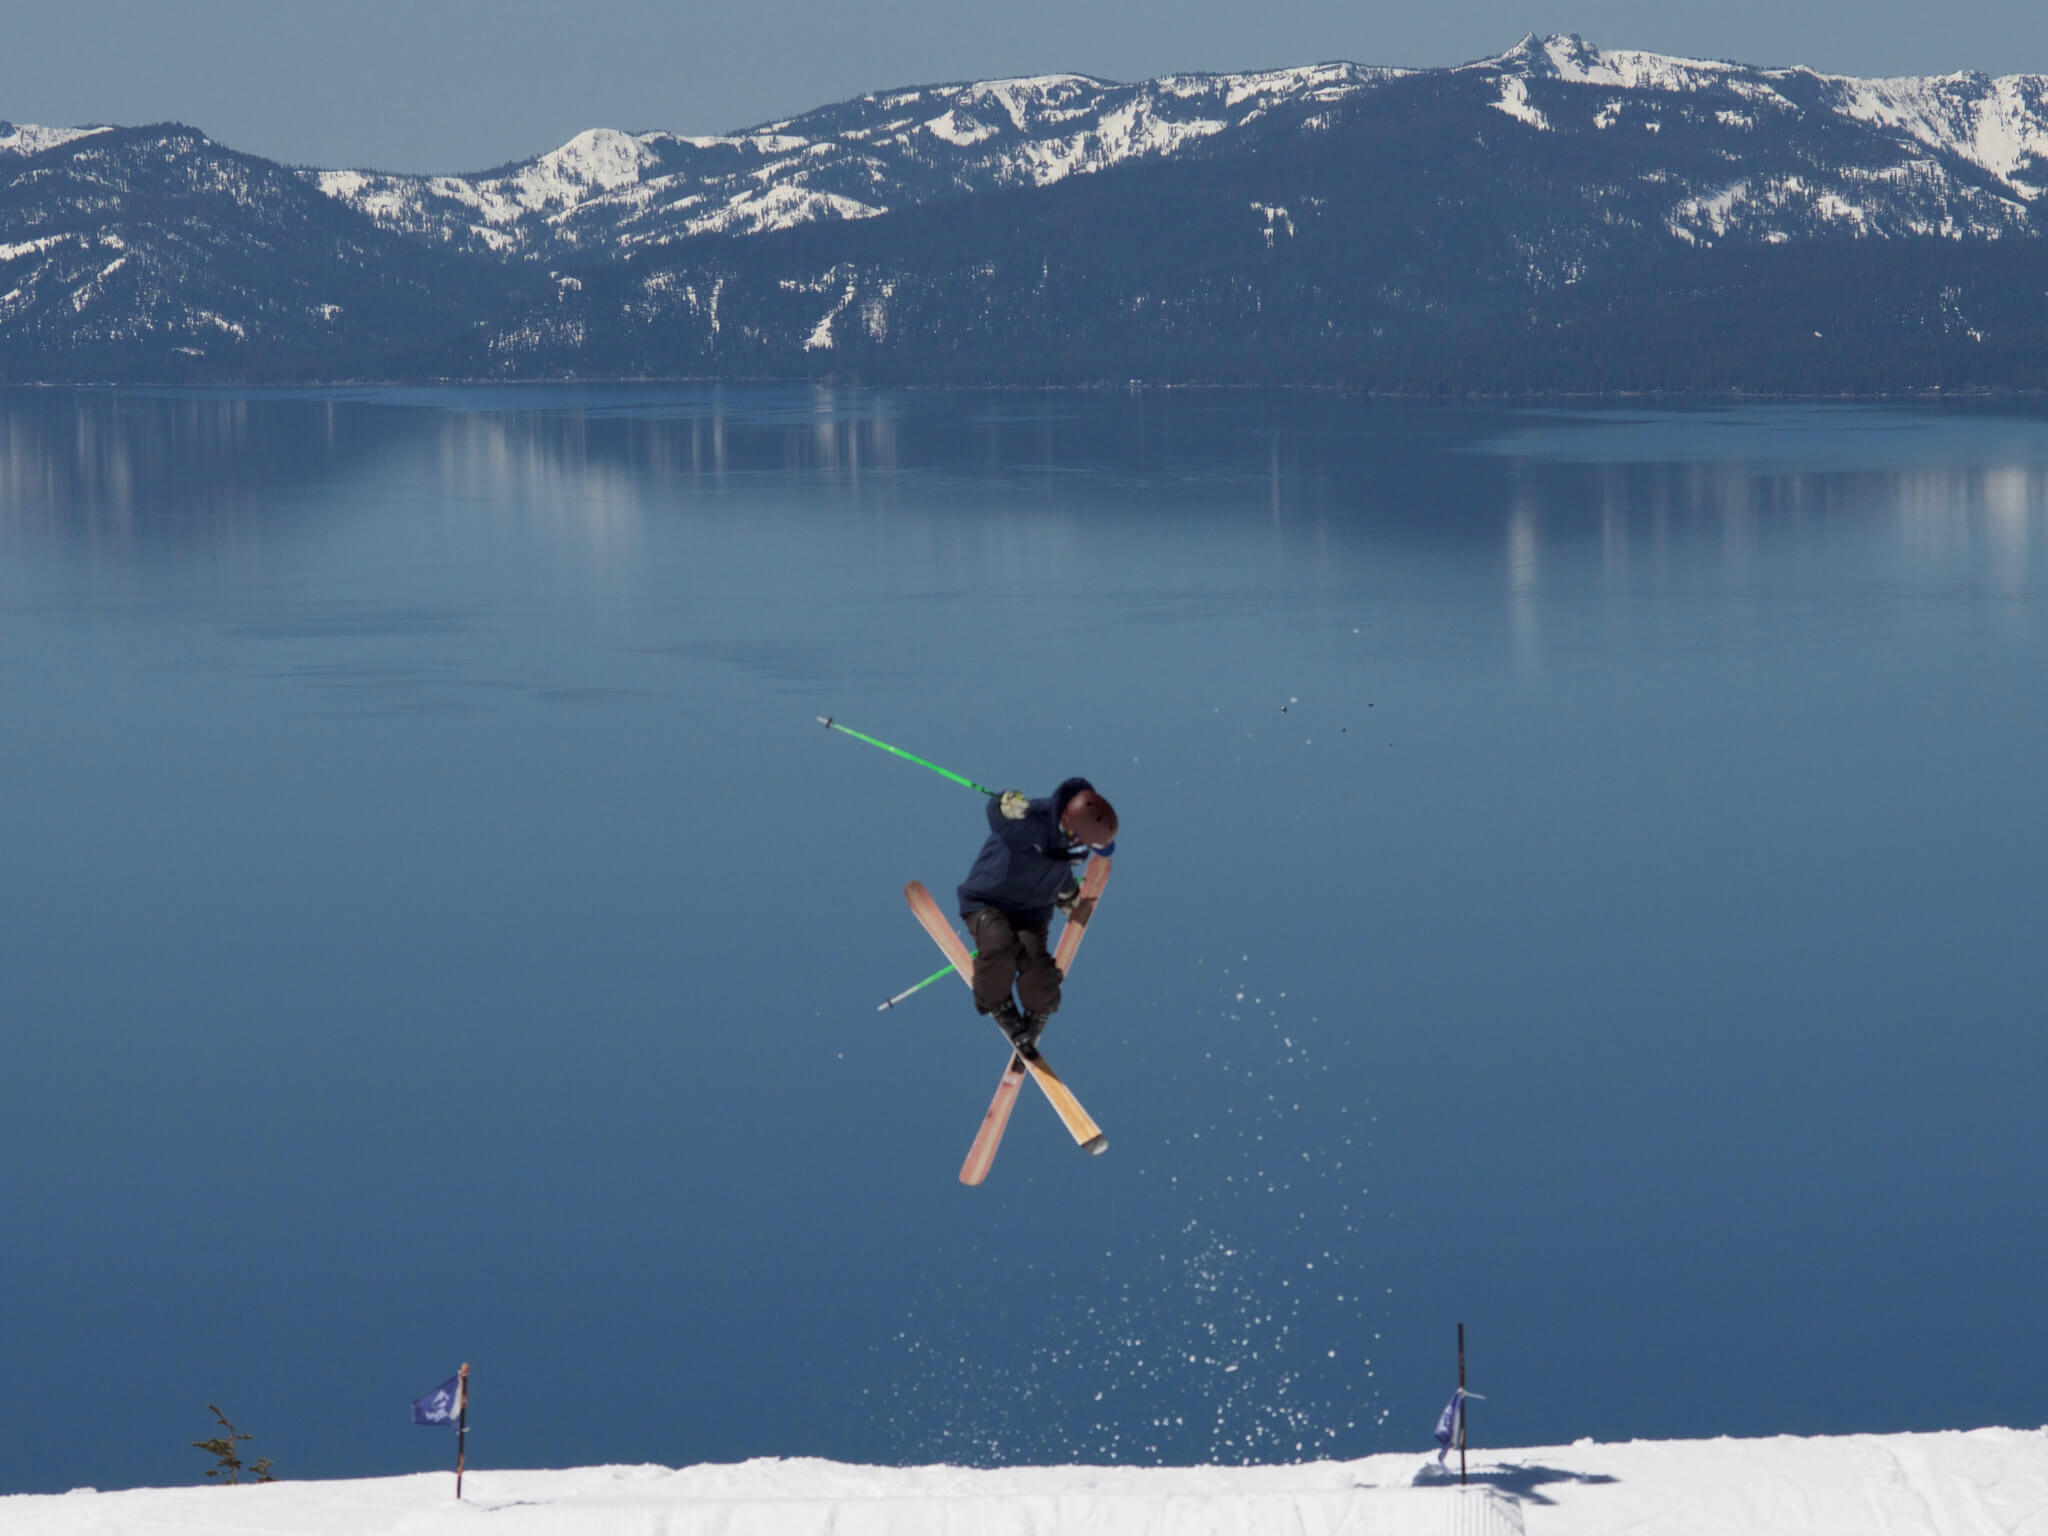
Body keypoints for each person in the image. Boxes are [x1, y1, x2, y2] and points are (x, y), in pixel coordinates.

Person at [957, 777, 1118, 1052]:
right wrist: (1004, 804)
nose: (1084, 849)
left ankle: (1037, 1011)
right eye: (1084, 841)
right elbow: (999, 819)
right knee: (999, 944)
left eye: (1090, 846)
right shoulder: (1034, 819)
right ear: (1070, 825)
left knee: (1038, 971)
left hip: (1031, 914)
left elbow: (1059, 873)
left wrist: (1067, 894)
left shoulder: (1068, 851)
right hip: (988, 900)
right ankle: (997, 1001)